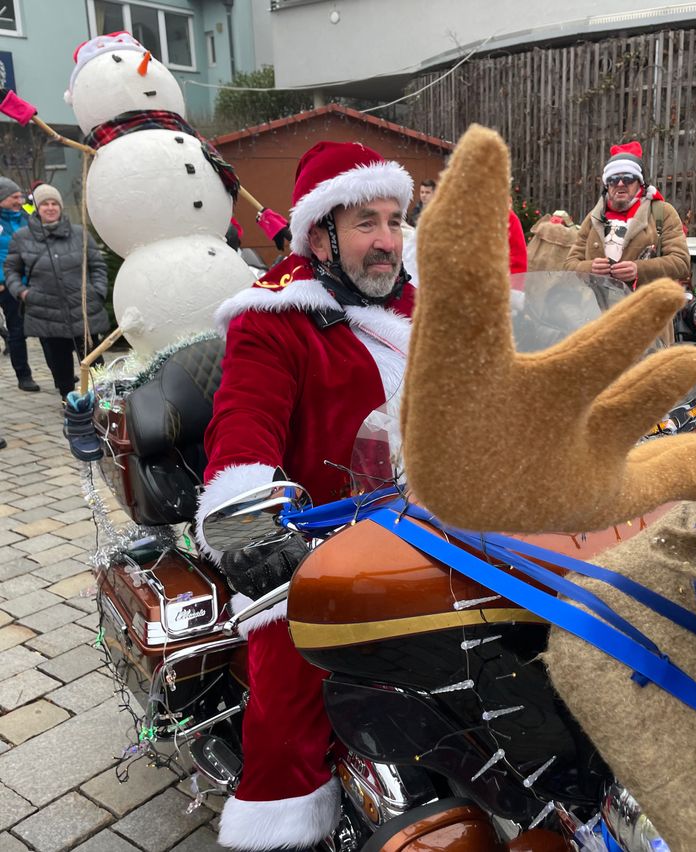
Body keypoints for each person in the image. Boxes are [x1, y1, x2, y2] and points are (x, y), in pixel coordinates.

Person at [195, 141, 415, 850]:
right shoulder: (273, 319)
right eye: (366, 224)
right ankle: (283, 827)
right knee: (291, 692)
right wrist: (253, 525)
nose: (386, 241)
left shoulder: (422, 304)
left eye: (394, 220)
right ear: (319, 233)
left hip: (441, 522)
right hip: (320, 542)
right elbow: (243, 425)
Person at [3, 184, 110, 399]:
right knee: (59, 359)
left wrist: (98, 292)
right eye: (45, 204)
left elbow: (97, 265)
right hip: (46, 310)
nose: (50, 208)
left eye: (54, 204)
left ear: (60, 207)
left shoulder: (79, 234)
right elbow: (11, 270)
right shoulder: (23, 237)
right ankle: (68, 399)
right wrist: (23, 293)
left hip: (82, 308)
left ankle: (103, 399)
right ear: (37, 208)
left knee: (93, 358)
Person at [564, 142, 689, 289]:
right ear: (607, 186)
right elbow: (569, 265)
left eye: (628, 178)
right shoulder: (594, 217)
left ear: (640, 183)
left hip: (643, 306)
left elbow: (681, 262)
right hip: (597, 307)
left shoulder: (662, 212)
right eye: (613, 179)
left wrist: (639, 269)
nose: (621, 183)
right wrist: (589, 268)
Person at [0, 176, 39, 392]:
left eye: (19, 195)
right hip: (8, 285)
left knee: (46, 329)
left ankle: (57, 370)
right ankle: (24, 375)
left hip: (34, 281)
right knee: (17, 331)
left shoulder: (27, 216)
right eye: (14, 196)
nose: (19, 199)